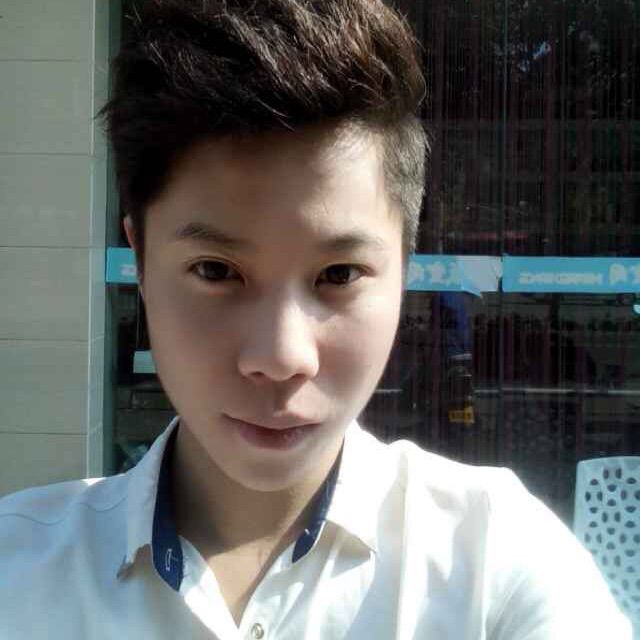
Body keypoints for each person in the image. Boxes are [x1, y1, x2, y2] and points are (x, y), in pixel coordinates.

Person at [0, 1, 631, 638]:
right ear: (140, 260)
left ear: (405, 267)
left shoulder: (496, 564)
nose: (281, 357)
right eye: (216, 271)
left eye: (339, 274)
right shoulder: (17, 572)